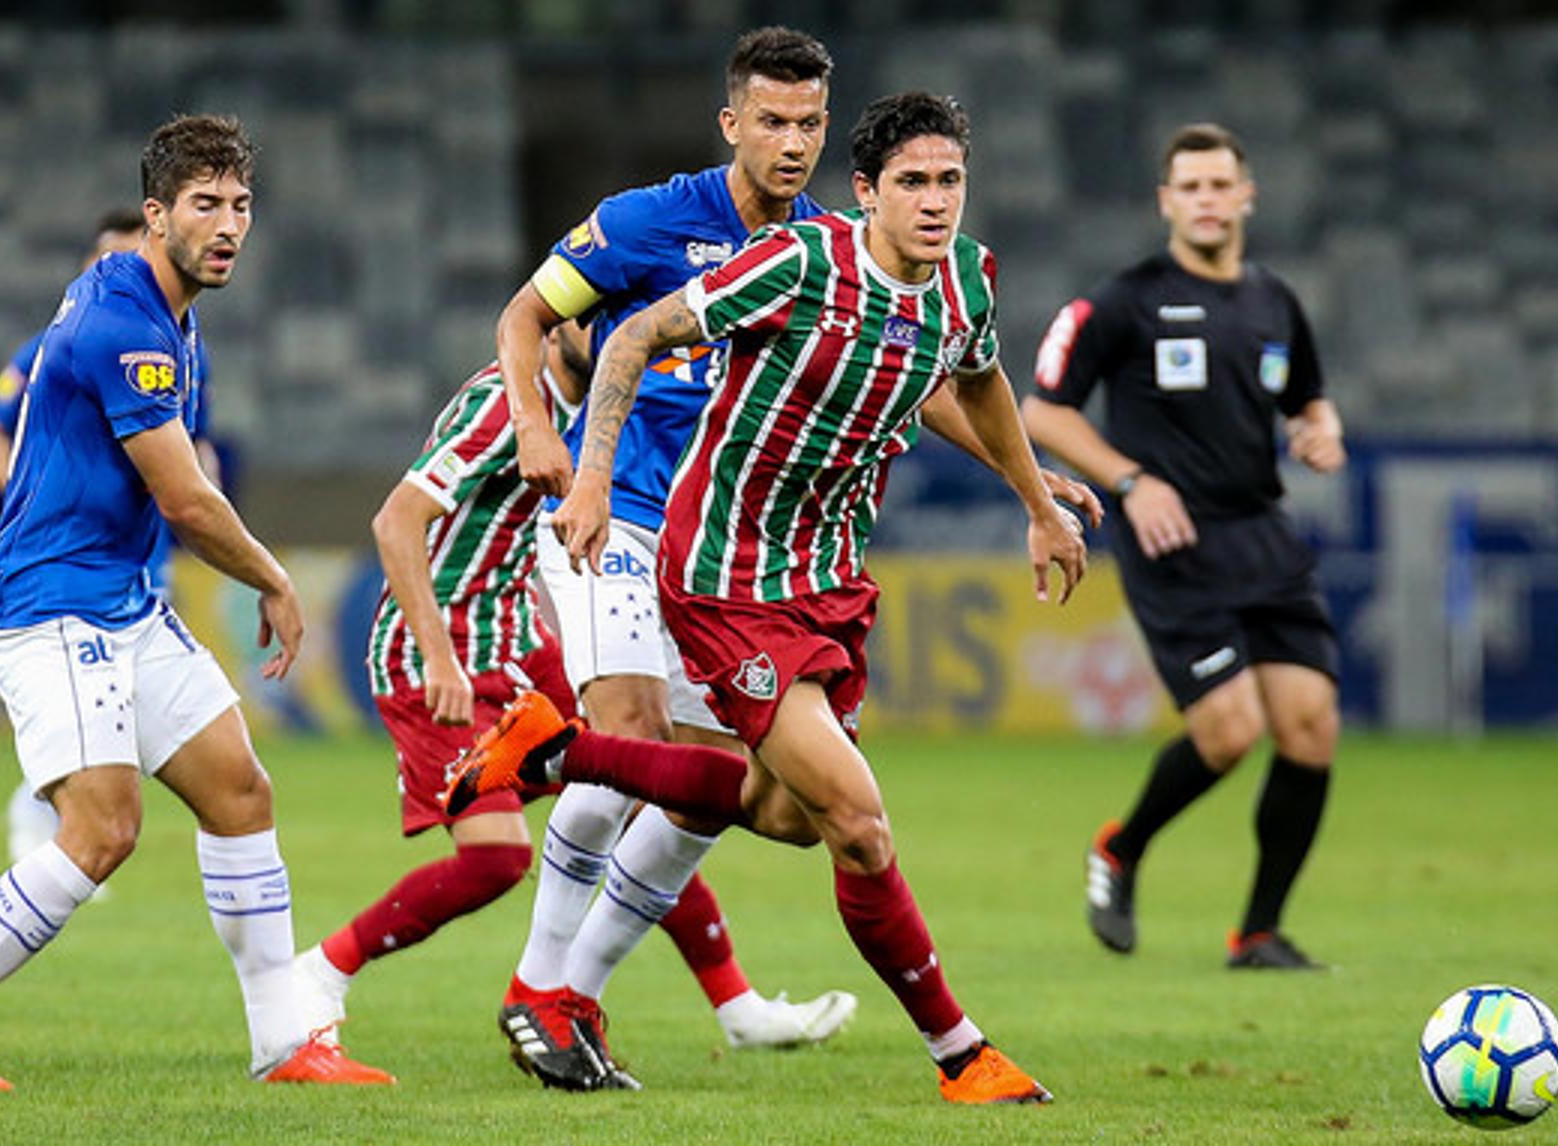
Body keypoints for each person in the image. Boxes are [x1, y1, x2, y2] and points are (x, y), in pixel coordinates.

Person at [451, 92, 1099, 1105]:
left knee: (780, 811)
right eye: (913, 184)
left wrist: (1033, 495)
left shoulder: (967, 280)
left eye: (950, 181)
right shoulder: (786, 260)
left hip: (826, 580)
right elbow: (613, 341)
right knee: (853, 817)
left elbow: (969, 380)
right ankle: (960, 1053)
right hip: (715, 569)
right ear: (866, 191)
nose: (935, 203)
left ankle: (552, 766)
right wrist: (576, 465)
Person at [0, 114, 391, 1090]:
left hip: (118, 602)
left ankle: (285, 1041)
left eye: (241, 204)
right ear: (155, 214)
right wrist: (277, 582)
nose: (229, 224)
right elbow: (187, 500)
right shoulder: (128, 326)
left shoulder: (168, 312)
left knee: (240, 791)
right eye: (205, 204)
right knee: (104, 829)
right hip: (52, 605)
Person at [288, 330, 848, 1087]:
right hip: (439, 648)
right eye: (596, 317)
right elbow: (396, 522)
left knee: (646, 788)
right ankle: (319, 975)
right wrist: (440, 657)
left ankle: (734, 1004)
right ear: (553, 325)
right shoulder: (505, 405)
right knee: (497, 858)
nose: (615, 333)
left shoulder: (605, 412)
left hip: (519, 636)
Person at [484, 26, 856, 1090]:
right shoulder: (650, 222)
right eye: (772, 121)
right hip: (616, 517)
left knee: (707, 791)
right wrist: (535, 428)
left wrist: (1026, 488)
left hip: (722, 552)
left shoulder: (823, 249)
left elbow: (914, 377)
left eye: (810, 124)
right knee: (635, 731)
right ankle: (536, 989)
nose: (791, 142)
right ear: (731, 123)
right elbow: (524, 313)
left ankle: (575, 996)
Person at [1019, 122, 1346, 970]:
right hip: (1174, 545)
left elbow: (1309, 401)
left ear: (1246, 195)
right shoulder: (1123, 301)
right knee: (1232, 731)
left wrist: (1319, 430)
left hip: (1263, 535)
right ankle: (1122, 848)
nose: (1206, 200)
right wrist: (1132, 480)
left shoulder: (1276, 300)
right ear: (1167, 201)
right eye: (1189, 187)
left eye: (1219, 185)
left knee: (1310, 727)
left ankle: (1260, 932)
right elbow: (1042, 412)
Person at [0, 208, 220, 873]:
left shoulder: (178, 346)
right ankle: (40, 815)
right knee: (98, 712)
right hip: (67, 566)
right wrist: (28, 491)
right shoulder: (50, 348)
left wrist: (207, 508)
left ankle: (63, 823)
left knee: (130, 714)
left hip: (143, 559)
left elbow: (193, 446)